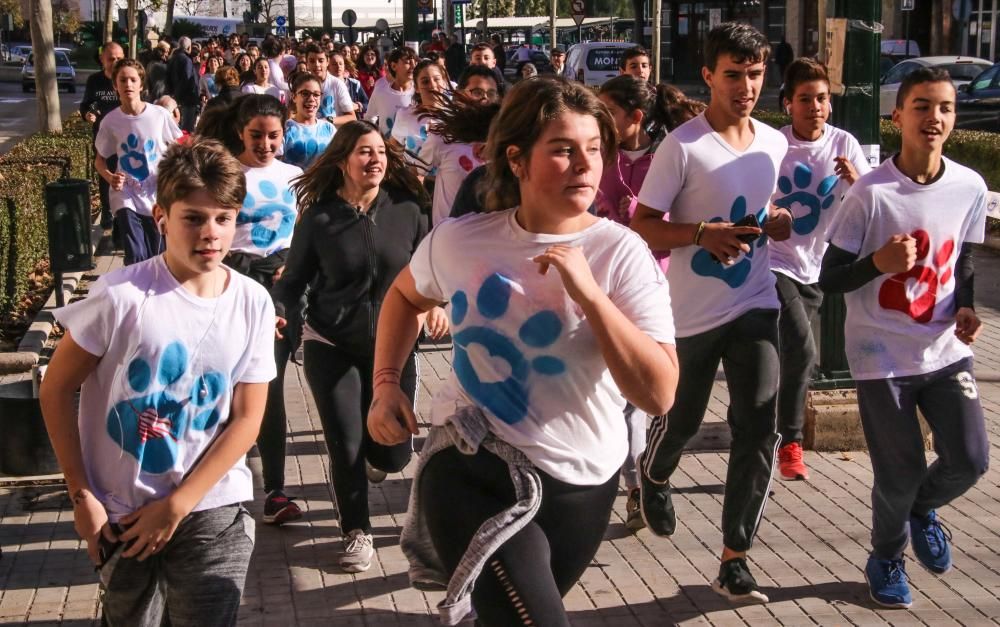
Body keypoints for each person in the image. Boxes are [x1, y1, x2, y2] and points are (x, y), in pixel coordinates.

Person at [368, 77, 678, 626]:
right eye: (563, 150)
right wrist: (386, 383)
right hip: (474, 463)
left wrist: (589, 295)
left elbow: (657, 393)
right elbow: (402, 296)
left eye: (593, 150)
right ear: (517, 160)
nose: (584, 165)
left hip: (583, 481)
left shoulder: (620, 252)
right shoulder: (461, 240)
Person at [39, 138, 276, 627]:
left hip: (212, 506)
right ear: (161, 216)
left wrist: (179, 505)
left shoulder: (253, 302)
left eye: (224, 219)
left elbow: (248, 417)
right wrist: (81, 495)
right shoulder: (121, 296)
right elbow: (56, 389)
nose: (210, 234)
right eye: (193, 218)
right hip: (122, 512)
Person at [631, 22, 792, 603]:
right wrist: (702, 233)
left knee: (758, 424)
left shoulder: (774, 143)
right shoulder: (684, 146)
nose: (746, 86)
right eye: (733, 75)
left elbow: (762, 203)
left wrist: (775, 220)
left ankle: (735, 559)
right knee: (686, 419)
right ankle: (654, 474)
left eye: (754, 74)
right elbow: (642, 224)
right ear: (708, 76)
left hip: (755, 301)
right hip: (691, 316)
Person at [819, 67, 990, 609]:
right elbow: (831, 276)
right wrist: (880, 261)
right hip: (880, 356)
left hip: (944, 350)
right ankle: (887, 556)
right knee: (900, 471)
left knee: (970, 460)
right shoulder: (871, 193)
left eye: (943, 107)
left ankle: (921, 509)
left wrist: (964, 304)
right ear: (898, 117)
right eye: (921, 107)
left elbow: (961, 255)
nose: (933, 118)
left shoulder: (969, 186)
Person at [271, 121, 444, 573]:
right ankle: (356, 531)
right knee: (344, 443)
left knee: (393, 451)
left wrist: (437, 305)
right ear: (344, 161)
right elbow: (293, 281)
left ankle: (380, 459)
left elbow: (433, 269)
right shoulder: (320, 218)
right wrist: (282, 315)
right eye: (364, 153)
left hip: (396, 345)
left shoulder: (409, 209)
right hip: (331, 342)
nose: (375, 160)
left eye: (380, 153)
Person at [596, 75, 705, 532]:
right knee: (612, 393)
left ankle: (637, 483)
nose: (599, 120)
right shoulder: (597, 156)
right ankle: (624, 478)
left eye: (608, 112)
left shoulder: (668, 158)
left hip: (652, 287)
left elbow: (678, 221)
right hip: (600, 284)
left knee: (634, 398)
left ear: (635, 118)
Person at [770, 58, 871, 482]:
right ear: (788, 104)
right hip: (774, 264)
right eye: (806, 99)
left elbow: (869, 208)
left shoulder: (844, 143)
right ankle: (790, 442)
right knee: (805, 351)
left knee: (791, 357)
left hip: (817, 265)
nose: (815, 107)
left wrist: (856, 182)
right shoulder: (773, 145)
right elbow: (755, 198)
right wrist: (771, 212)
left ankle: (766, 433)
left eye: (822, 99)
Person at [212, 94, 305, 526]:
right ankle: (219, 481)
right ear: (240, 133)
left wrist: (296, 263)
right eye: (256, 135)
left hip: (281, 291)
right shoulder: (226, 174)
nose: (266, 144)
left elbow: (304, 234)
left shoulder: (294, 176)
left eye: (273, 135)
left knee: (267, 384)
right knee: (228, 387)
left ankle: (275, 490)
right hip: (232, 287)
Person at [95, 58, 184, 266]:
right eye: (123, 80)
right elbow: (99, 161)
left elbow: (180, 147)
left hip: (157, 193)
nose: (128, 85)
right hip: (126, 193)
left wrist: (174, 173)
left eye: (133, 80)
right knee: (136, 254)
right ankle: (135, 293)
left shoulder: (159, 115)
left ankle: (155, 293)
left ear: (141, 84)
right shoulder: (110, 121)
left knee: (157, 256)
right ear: (115, 85)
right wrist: (110, 177)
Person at [417, 92, 498, 225]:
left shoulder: (504, 149)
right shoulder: (441, 140)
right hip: (446, 236)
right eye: (476, 91)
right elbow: (419, 171)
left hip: (485, 235)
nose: (484, 97)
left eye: (490, 92)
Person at [81, 41, 125, 229]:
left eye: (119, 58)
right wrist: (87, 113)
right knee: (105, 175)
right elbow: (87, 104)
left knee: (124, 175)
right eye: (111, 59)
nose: (115, 62)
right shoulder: (95, 81)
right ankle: (108, 213)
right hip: (103, 138)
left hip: (125, 139)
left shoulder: (127, 78)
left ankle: (123, 214)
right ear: (102, 60)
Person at [390, 59, 448, 174]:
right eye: (425, 82)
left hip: (447, 186)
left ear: (444, 82)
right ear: (416, 88)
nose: (432, 85)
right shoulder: (405, 115)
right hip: (416, 187)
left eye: (437, 79)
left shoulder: (455, 115)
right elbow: (394, 147)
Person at [282, 72, 337, 170]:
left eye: (316, 94)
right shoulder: (285, 129)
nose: (311, 99)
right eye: (305, 94)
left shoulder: (329, 128)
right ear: (294, 96)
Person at [366, 47, 416, 137]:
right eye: (407, 62)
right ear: (393, 66)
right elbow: (369, 119)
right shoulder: (380, 92)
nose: (413, 66)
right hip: (387, 148)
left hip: (413, 150)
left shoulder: (420, 93)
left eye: (415, 62)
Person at [303, 44, 356, 127]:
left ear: (327, 62)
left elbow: (352, 117)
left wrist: (328, 120)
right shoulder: (302, 84)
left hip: (332, 137)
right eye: (312, 61)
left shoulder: (337, 84)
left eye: (321, 60)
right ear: (307, 63)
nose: (317, 65)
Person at [166, 36, 200, 132]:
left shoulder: (172, 58)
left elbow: (167, 78)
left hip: (176, 97)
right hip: (187, 99)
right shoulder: (186, 60)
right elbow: (187, 79)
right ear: (189, 47)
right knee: (186, 128)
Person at [330, 51, 368, 115]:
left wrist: (358, 106)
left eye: (341, 64)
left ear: (344, 66)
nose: (338, 66)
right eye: (334, 64)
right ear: (328, 66)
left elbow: (367, 104)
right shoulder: (325, 84)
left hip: (351, 123)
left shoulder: (355, 84)